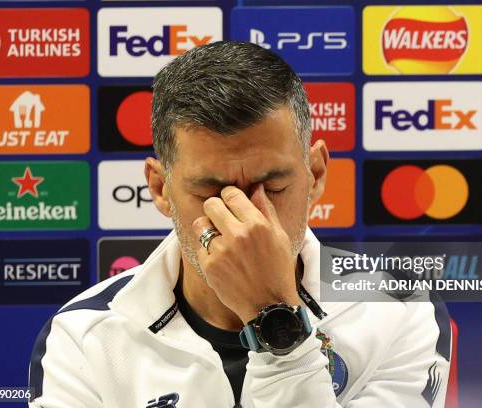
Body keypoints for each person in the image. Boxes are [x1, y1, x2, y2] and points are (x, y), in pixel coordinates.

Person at [28, 41, 451, 408]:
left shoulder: (396, 308)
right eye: (211, 191)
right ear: (160, 189)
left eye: (273, 184)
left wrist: (277, 325)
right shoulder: (85, 336)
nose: (248, 220)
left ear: (316, 175)